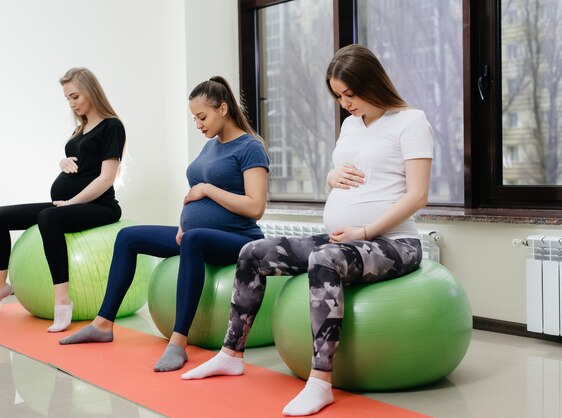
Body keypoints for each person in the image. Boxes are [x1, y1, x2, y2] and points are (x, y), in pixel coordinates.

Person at [180, 44, 434, 416]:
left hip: (395, 242)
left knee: (325, 258)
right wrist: (332, 177)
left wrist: (364, 232)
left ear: (373, 83)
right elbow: (342, 179)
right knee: (253, 252)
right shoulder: (351, 125)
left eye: (350, 93)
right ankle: (230, 354)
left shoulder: (412, 122)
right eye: (338, 95)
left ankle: (320, 382)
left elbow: (417, 195)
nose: (345, 103)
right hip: (344, 236)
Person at [59, 76, 270, 372]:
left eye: (202, 117)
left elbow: (255, 206)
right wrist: (186, 222)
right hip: (197, 235)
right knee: (128, 237)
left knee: (194, 240)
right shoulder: (211, 146)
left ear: (223, 109)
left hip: (239, 239)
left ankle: (178, 344)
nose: (198, 125)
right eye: (194, 118)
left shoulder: (250, 147)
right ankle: (103, 324)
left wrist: (207, 191)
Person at [0, 67, 126, 334]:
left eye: (75, 96)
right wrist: (63, 162)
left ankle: (62, 302)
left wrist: (72, 203)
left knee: (48, 217)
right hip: (68, 203)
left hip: (100, 207)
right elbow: (82, 164)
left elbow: (107, 178)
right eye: (67, 98)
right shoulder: (81, 130)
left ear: (91, 92)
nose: (72, 104)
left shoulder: (111, 126)